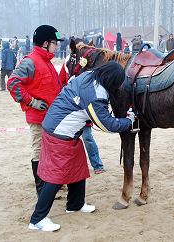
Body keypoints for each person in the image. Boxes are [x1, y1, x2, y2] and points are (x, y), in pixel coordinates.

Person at [28, 61, 135, 232]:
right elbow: (106, 124)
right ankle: (37, 219)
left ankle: (75, 204)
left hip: (65, 131)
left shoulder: (89, 75)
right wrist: (128, 121)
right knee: (56, 177)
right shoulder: (95, 94)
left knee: (77, 167)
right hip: (59, 133)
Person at [7, 25, 66, 197]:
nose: (58, 46)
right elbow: (13, 83)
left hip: (52, 117)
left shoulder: (47, 62)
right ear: (46, 43)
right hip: (38, 117)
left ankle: (52, 185)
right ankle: (42, 190)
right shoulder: (30, 61)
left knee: (52, 152)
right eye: (55, 43)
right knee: (39, 151)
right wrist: (31, 101)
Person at [59, 53, 105, 174]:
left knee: (87, 137)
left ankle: (97, 165)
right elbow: (61, 83)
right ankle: (68, 168)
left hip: (84, 107)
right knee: (68, 140)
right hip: (70, 108)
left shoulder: (88, 67)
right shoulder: (67, 64)